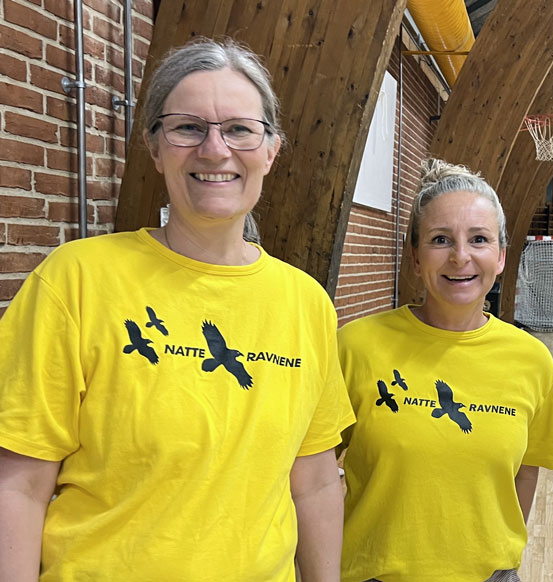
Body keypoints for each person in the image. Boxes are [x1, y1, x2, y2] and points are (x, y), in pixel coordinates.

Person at [0, 39, 354, 581]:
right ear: (154, 145)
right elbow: (19, 486)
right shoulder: (75, 280)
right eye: (188, 127)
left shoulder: (305, 302)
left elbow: (315, 482)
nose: (215, 150)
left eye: (239, 129)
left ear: (271, 149)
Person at [337, 158, 553, 582]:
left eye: (478, 239)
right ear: (415, 256)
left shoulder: (532, 360)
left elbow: (526, 469)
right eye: (441, 239)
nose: (461, 257)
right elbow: (311, 473)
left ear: (499, 257)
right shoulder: (356, 346)